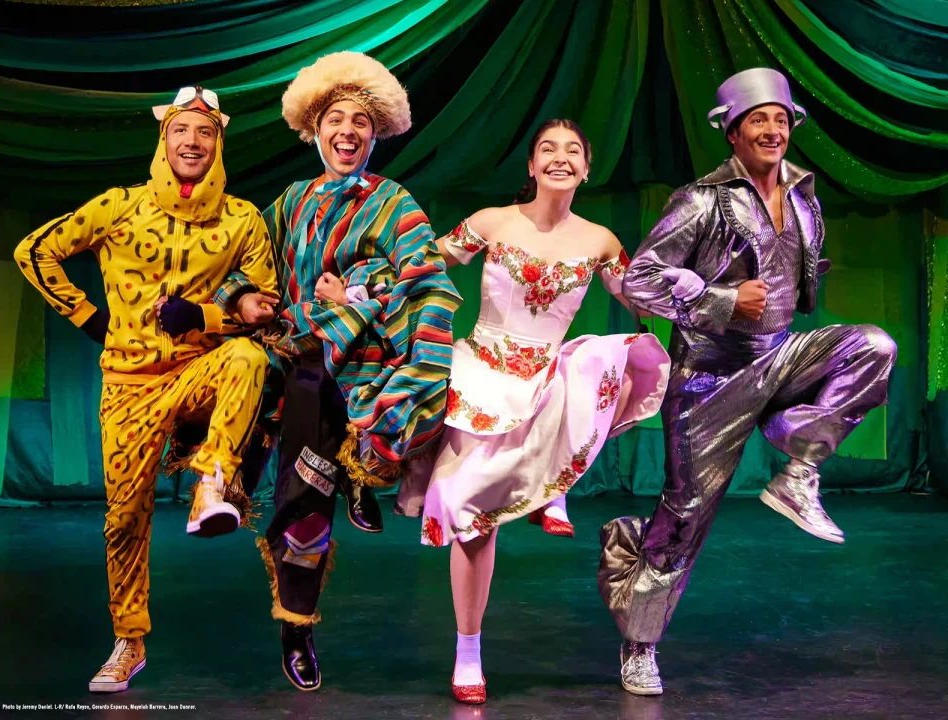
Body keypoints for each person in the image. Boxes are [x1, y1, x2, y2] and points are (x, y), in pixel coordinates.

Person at [598, 68, 897, 695]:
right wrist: (722, 300)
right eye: (757, 120)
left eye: (780, 119)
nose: (772, 129)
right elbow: (640, 280)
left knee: (872, 345)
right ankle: (640, 642)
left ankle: (798, 464)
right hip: (709, 378)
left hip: (780, 355)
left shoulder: (806, 198)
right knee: (683, 519)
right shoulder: (700, 200)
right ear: (732, 133)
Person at [13, 87, 279, 693]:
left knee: (244, 356)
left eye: (205, 133)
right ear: (164, 141)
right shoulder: (119, 207)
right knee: (124, 518)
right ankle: (129, 642)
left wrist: (205, 319)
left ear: (219, 145)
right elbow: (34, 252)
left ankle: (213, 482)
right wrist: (89, 318)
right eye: (182, 131)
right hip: (128, 385)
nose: (193, 142)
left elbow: (268, 311)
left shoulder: (241, 219)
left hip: (197, 374)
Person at [395, 119, 671, 704]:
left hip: (551, 378)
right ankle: (467, 650)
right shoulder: (494, 222)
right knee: (466, 507)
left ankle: (555, 482)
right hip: (483, 373)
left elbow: (642, 300)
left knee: (605, 353)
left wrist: (711, 298)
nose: (560, 158)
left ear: (587, 168)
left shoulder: (600, 240)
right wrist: (366, 286)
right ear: (530, 165)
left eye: (574, 150)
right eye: (548, 148)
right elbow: (426, 262)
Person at [216, 52, 461, 691]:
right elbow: (249, 272)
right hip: (299, 365)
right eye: (335, 118)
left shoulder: (393, 202)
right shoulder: (290, 202)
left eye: (361, 121)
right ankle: (297, 625)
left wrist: (356, 297)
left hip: (361, 373)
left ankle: (362, 469)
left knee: (321, 485)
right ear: (314, 130)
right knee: (301, 501)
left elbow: (425, 281)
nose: (348, 130)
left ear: (374, 134)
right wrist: (247, 297)